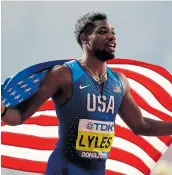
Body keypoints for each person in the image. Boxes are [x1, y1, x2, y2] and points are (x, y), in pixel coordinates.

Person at [1, 11, 172, 175]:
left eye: (113, 32)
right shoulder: (64, 75)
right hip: (64, 170)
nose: (112, 36)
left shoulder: (119, 82)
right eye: (103, 32)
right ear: (85, 38)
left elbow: (141, 125)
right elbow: (17, 117)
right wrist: (3, 110)